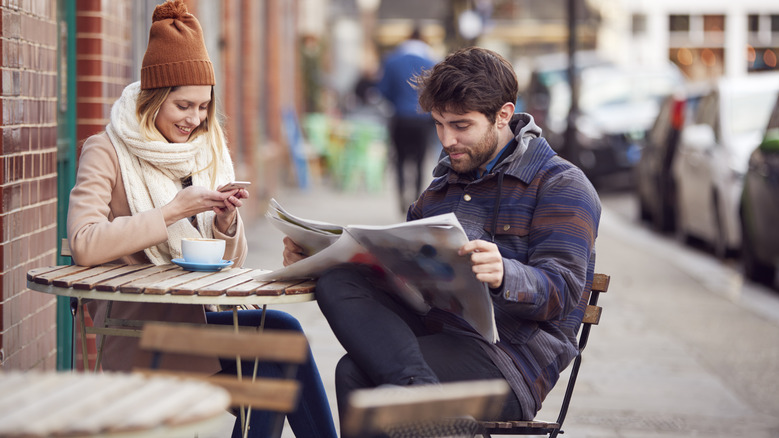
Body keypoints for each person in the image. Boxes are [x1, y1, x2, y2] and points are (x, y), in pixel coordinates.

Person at [283, 47, 601, 433]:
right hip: (438, 334)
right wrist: (320, 257)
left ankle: (420, 400)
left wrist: (505, 273)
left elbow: (564, 291)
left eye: (461, 125)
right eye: (438, 124)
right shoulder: (438, 191)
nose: (447, 139)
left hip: (511, 361)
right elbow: (402, 281)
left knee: (357, 373)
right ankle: (426, 402)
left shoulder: (561, 184)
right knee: (339, 281)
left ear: (503, 115)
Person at [66, 1, 337, 437]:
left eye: (204, 108)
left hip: (197, 316)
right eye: (183, 106)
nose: (195, 120)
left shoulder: (202, 153)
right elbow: (84, 241)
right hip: (140, 326)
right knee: (271, 371)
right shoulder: (107, 150)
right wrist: (174, 210)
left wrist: (225, 224)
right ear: (152, 100)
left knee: (283, 332)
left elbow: (228, 261)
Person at [377, 26, 437, 213]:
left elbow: (382, 91)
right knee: (420, 160)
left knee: (400, 159)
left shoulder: (392, 60)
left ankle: (402, 198)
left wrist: (396, 102)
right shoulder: (431, 61)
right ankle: (417, 199)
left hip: (400, 117)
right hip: (422, 119)